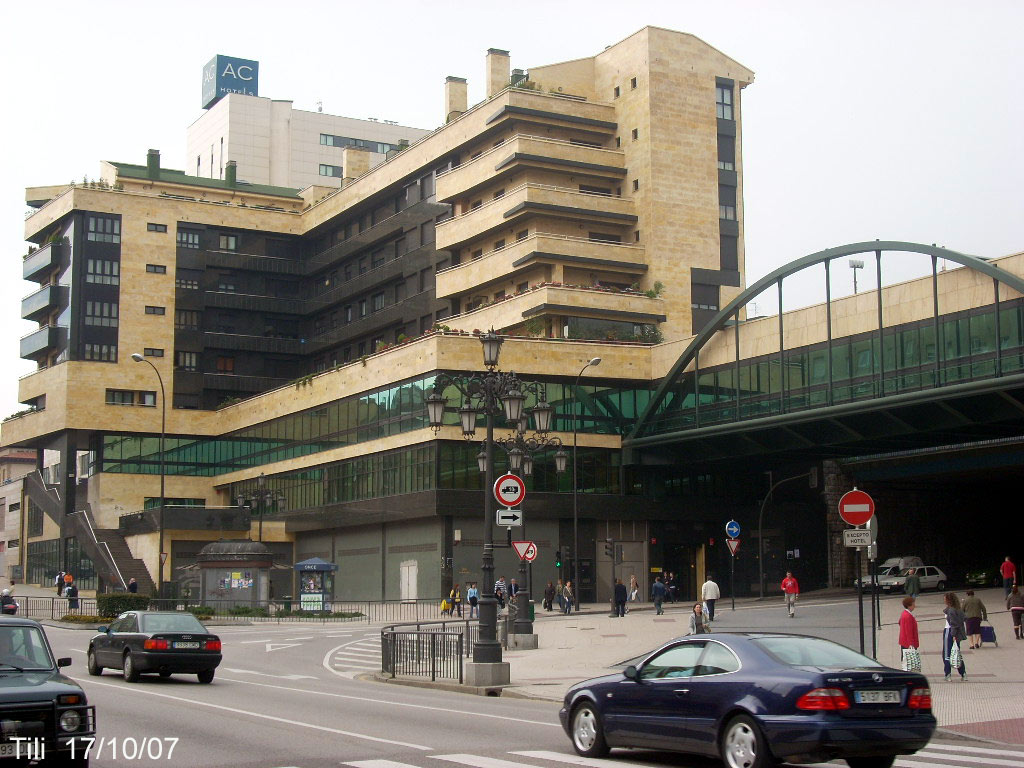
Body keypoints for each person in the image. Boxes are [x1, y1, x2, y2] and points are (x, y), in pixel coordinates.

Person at [942, 592, 967, 682]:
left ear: (949, 600)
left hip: (949, 632)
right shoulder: (958, 609)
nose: (944, 601)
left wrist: (953, 634)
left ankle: (948, 674)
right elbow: (964, 618)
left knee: (947, 654)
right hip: (957, 634)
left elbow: (953, 624)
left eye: (945, 599)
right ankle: (963, 673)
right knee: (956, 653)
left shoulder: (951, 610)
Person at [898, 596, 920, 671]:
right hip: (908, 643)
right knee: (909, 661)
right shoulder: (908, 616)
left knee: (905, 659)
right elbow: (909, 631)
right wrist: (911, 644)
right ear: (909, 605)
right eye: (913, 604)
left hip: (903, 641)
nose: (914, 606)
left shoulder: (904, 613)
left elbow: (899, 622)